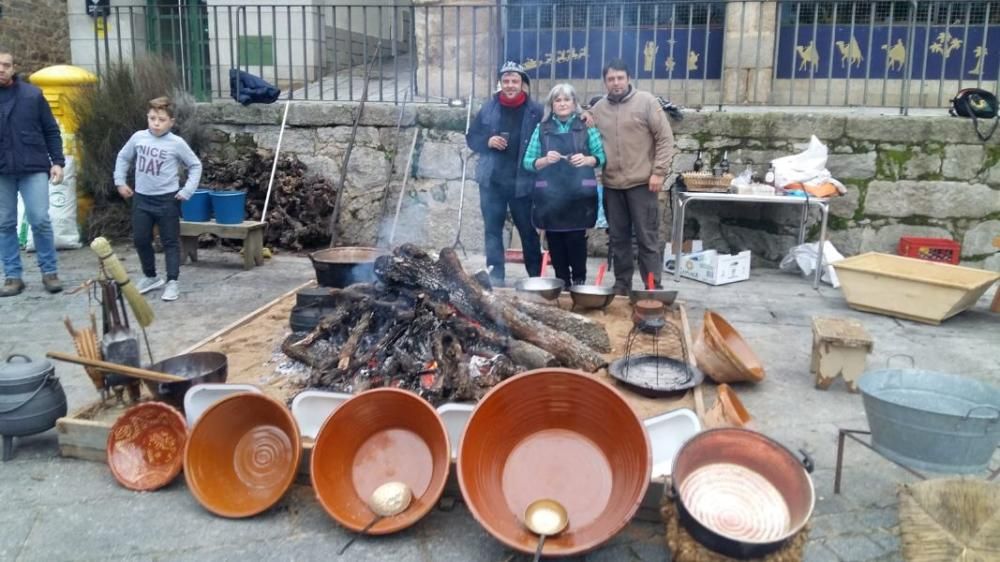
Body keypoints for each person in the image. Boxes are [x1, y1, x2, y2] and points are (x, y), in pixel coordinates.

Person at [585, 59, 675, 294]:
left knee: (647, 238)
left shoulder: (646, 102)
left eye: (620, 78)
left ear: (628, 78)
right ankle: (622, 284)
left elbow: (665, 139)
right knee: (618, 238)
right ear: (605, 82)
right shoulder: (598, 109)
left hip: (642, 184)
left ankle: (652, 286)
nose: (616, 83)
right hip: (612, 185)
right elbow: (582, 129)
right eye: (611, 79)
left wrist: (659, 172)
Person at [114, 96, 202, 302]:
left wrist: (187, 190)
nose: (156, 123)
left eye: (161, 119)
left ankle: (172, 281)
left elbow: (195, 165)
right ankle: (150, 276)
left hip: (167, 200)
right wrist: (120, 181)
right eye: (152, 118)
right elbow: (123, 157)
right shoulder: (138, 138)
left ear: (171, 122)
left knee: (170, 241)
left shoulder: (176, 143)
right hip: (142, 199)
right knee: (141, 239)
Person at [466, 61, 543, 286]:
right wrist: (487, 141)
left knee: (528, 232)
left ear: (523, 84)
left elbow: (547, 138)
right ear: (500, 83)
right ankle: (496, 276)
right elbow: (471, 138)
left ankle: (536, 278)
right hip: (492, 182)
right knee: (492, 231)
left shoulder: (535, 111)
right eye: (506, 81)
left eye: (515, 81)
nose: (510, 85)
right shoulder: (489, 108)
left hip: (523, 182)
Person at [522, 83, 605, 288]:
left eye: (567, 99)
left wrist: (586, 160)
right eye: (557, 100)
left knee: (576, 238)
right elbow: (528, 162)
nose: (562, 104)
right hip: (550, 193)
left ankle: (578, 280)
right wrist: (544, 160)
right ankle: (561, 281)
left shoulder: (586, 127)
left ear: (574, 103)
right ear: (551, 105)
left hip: (579, 194)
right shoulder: (541, 129)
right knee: (555, 239)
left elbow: (601, 157)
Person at [0, 46, 65, 297]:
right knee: (5, 224)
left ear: (13, 68)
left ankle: (50, 273)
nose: (1, 69)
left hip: (33, 166)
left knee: (40, 219)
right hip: (2, 171)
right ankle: (13, 277)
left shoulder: (32, 95)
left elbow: (51, 130)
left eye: (6, 64)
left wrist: (57, 161)